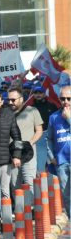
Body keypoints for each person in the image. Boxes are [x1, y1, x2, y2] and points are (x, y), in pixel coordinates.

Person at [8, 87, 43, 190]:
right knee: (15, 185)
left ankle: (31, 206)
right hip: (12, 154)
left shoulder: (32, 111)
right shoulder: (5, 112)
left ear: (21, 99)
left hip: (29, 154)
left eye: (13, 100)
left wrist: (31, 143)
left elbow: (39, 131)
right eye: (8, 100)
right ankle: (19, 206)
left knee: (30, 183)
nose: (10, 102)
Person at [47, 85, 70, 215]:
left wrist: (68, 118)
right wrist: (51, 156)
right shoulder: (54, 117)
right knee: (66, 195)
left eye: (69, 98)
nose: (65, 101)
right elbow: (48, 138)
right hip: (61, 162)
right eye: (62, 98)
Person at [31, 85, 61, 172]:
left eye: (40, 92)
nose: (38, 95)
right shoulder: (31, 108)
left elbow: (57, 120)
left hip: (51, 137)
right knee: (40, 164)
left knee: (53, 160)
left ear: (44, 94)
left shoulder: (52, 106)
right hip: (38, 138)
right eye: (36, 93)